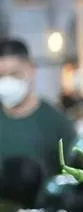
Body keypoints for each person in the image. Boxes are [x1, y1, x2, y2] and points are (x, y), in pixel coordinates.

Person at [0, 39, 77, 197]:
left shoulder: (57, 124)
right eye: (1, 76)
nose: (6, 81)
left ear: (31, 70)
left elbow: (75, 181)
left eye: (14, 74)